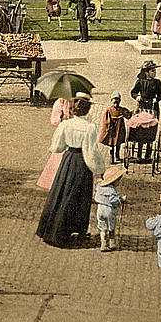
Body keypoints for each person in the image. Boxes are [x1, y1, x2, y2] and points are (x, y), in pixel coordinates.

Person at [36, 94, 106, 248]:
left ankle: (55, 231)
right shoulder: (90, 128)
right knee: (80, 197)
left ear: (73, 109)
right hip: (81, 163)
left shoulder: (65, 125)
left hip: (68, 161)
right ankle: (79, 231)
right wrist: (100, 169)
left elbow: (56, 147)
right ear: (87, 110)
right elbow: (91, 152)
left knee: (61, 194)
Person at [94, 166, 126, 252]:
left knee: (102, 227)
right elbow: (113, 200)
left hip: (100, 209)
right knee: (111, 227)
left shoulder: (100, 187)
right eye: (118, 180)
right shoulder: (111, 190)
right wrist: (121, 200)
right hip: (109, 210)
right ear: (113, 181)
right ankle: (112, 243)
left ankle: (103, 244)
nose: (119, 182)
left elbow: (98, 196)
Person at [99, 92, 131, 164]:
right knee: (112, 143)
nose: (116, 104)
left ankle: (117, 156)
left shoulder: (122, 109)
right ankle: (112, 157)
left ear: (120, 101)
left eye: (117, 101)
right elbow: (106, 120)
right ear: (111, 101)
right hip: (112, 128)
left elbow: (128, 115)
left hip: (119, 128)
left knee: (118, 143)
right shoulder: (109, 110)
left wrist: (132, 113)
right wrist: (109, 126)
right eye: (114, 102)